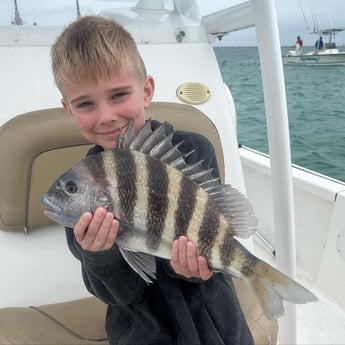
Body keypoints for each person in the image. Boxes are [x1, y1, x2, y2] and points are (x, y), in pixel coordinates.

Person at [51, 16, 253, 345]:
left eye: (118, 95)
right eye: (86, 103)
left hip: (218, 325)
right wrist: (99, 255)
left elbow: (213, 234)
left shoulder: (192, 151)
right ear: (68, 110)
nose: (106, 115)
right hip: (143, 333)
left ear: (146, 91)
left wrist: (186, 266)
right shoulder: (79, 192)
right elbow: (121, 294)